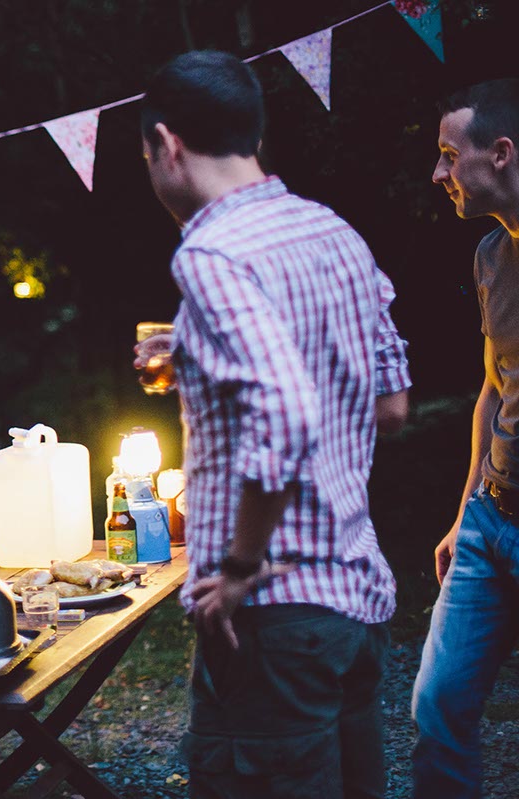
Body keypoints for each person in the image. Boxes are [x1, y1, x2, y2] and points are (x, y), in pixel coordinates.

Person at [133, 50, 411, 798]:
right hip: (352, 597)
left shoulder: (212, 254)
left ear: (166, 144)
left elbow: (285, 413)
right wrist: (190, 351)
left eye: (147, 157)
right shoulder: (332, 232)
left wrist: (241, 566)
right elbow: (391, 404)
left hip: (269, 616)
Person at [413, 78, 519, 798]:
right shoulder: (490, 255)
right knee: (437, 704)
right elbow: (492, 386)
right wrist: (463, 511)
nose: (439, 173)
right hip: (490, 515)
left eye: (451, 155)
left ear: (502, 153)